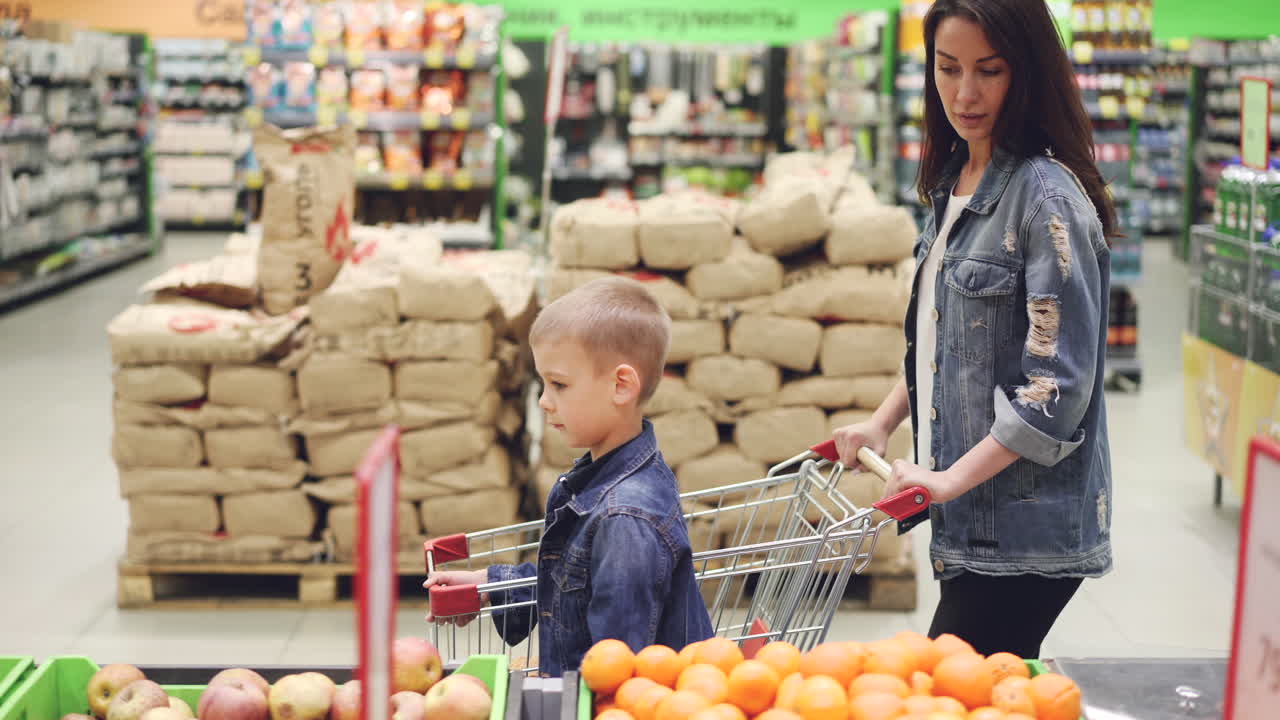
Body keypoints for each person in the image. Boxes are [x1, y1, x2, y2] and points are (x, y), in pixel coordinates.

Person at [833, 0, 1115, 660]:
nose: (965, 92)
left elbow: (1054, 393)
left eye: (989, 70)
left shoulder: (1045, 197)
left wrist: (952, 480)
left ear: (1028, 71)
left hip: (1022, 531)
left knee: (945, 686)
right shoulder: (956, 179)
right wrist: (881, 422)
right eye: (947, 67)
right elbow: (942, 341)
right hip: (971, 517)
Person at [423, 276, 714, 676]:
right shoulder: (604, 479)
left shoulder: (625, 518)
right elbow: (575, 581)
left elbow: (616, 670)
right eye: (543, 383)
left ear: (621, 385)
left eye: (558, 384)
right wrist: (489, 585)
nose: (543, 401)